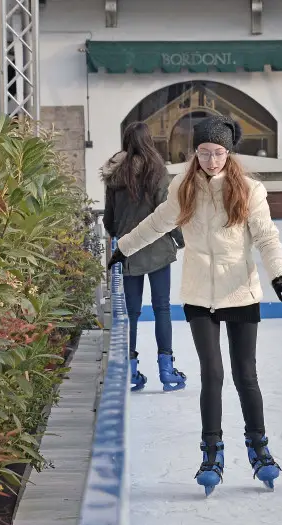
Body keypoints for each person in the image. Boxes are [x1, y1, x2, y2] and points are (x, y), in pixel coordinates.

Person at [107, 115, 282, 496]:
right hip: (198, 296)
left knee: (246, 375)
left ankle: (258, 447)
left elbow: (267, 237)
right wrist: (122, 249)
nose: (212, 160)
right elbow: (156, 223)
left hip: (240, 291)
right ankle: (211, 452)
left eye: (219, 153)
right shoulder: (183, 187)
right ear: (195, 152)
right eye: (205, 152)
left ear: (229, 153)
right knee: (211, 374)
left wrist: (279, 275)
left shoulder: (249, 189)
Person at [102, 122, 187, 393]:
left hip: (129, 252)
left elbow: (109, 221)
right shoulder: (159, 174)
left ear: (126, 142)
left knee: (132, 314)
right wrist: (181, 240)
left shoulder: (115, 178)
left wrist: (122, 235)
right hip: (159, 250)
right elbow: (169, 214)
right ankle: (166, 370)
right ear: (150, 141)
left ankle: (130, 371)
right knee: (162, 308)